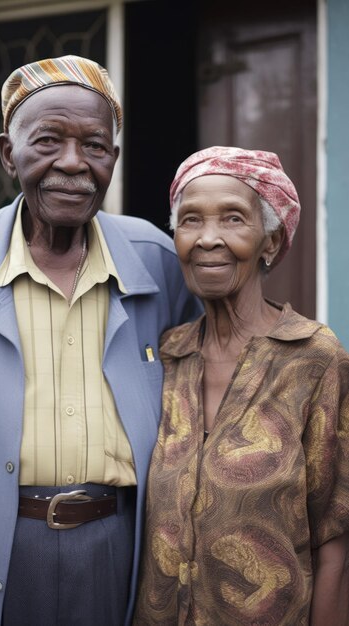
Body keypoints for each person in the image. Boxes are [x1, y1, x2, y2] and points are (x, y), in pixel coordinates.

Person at [0, 55, 202, 626]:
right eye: (48, 141)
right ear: (9, 153)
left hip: (117, 547)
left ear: (114, 159)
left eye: (95, 146)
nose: (73, 164)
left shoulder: (154, 260)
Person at [134, 146, 349, 625]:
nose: (208, 238)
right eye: (191, 220)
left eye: (233, 219)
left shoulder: (314, 359)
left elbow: (335, 538)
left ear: (270, 242)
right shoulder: (166, 355)